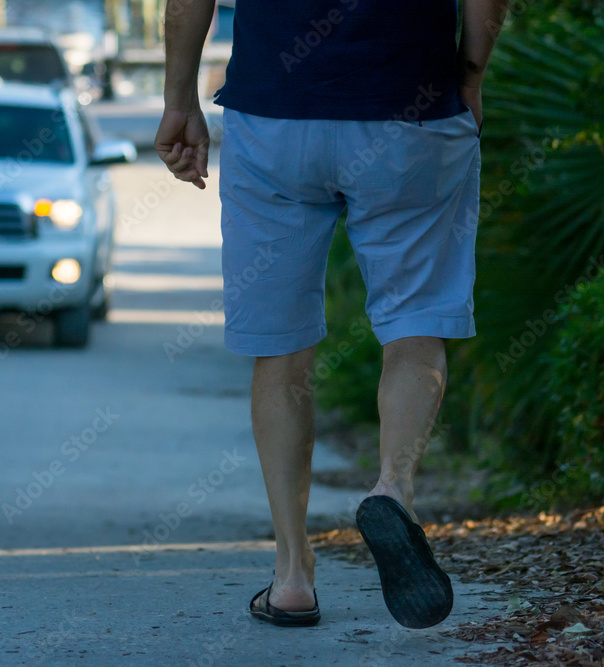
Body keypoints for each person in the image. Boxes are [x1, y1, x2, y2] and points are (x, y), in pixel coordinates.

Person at [155, 0, 507, 629]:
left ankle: (292, 575)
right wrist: (471, 76)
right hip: (413, 113)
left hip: (274, 116)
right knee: (415, 324)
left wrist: (178, 100)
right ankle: (392, 488)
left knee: (281, 348)